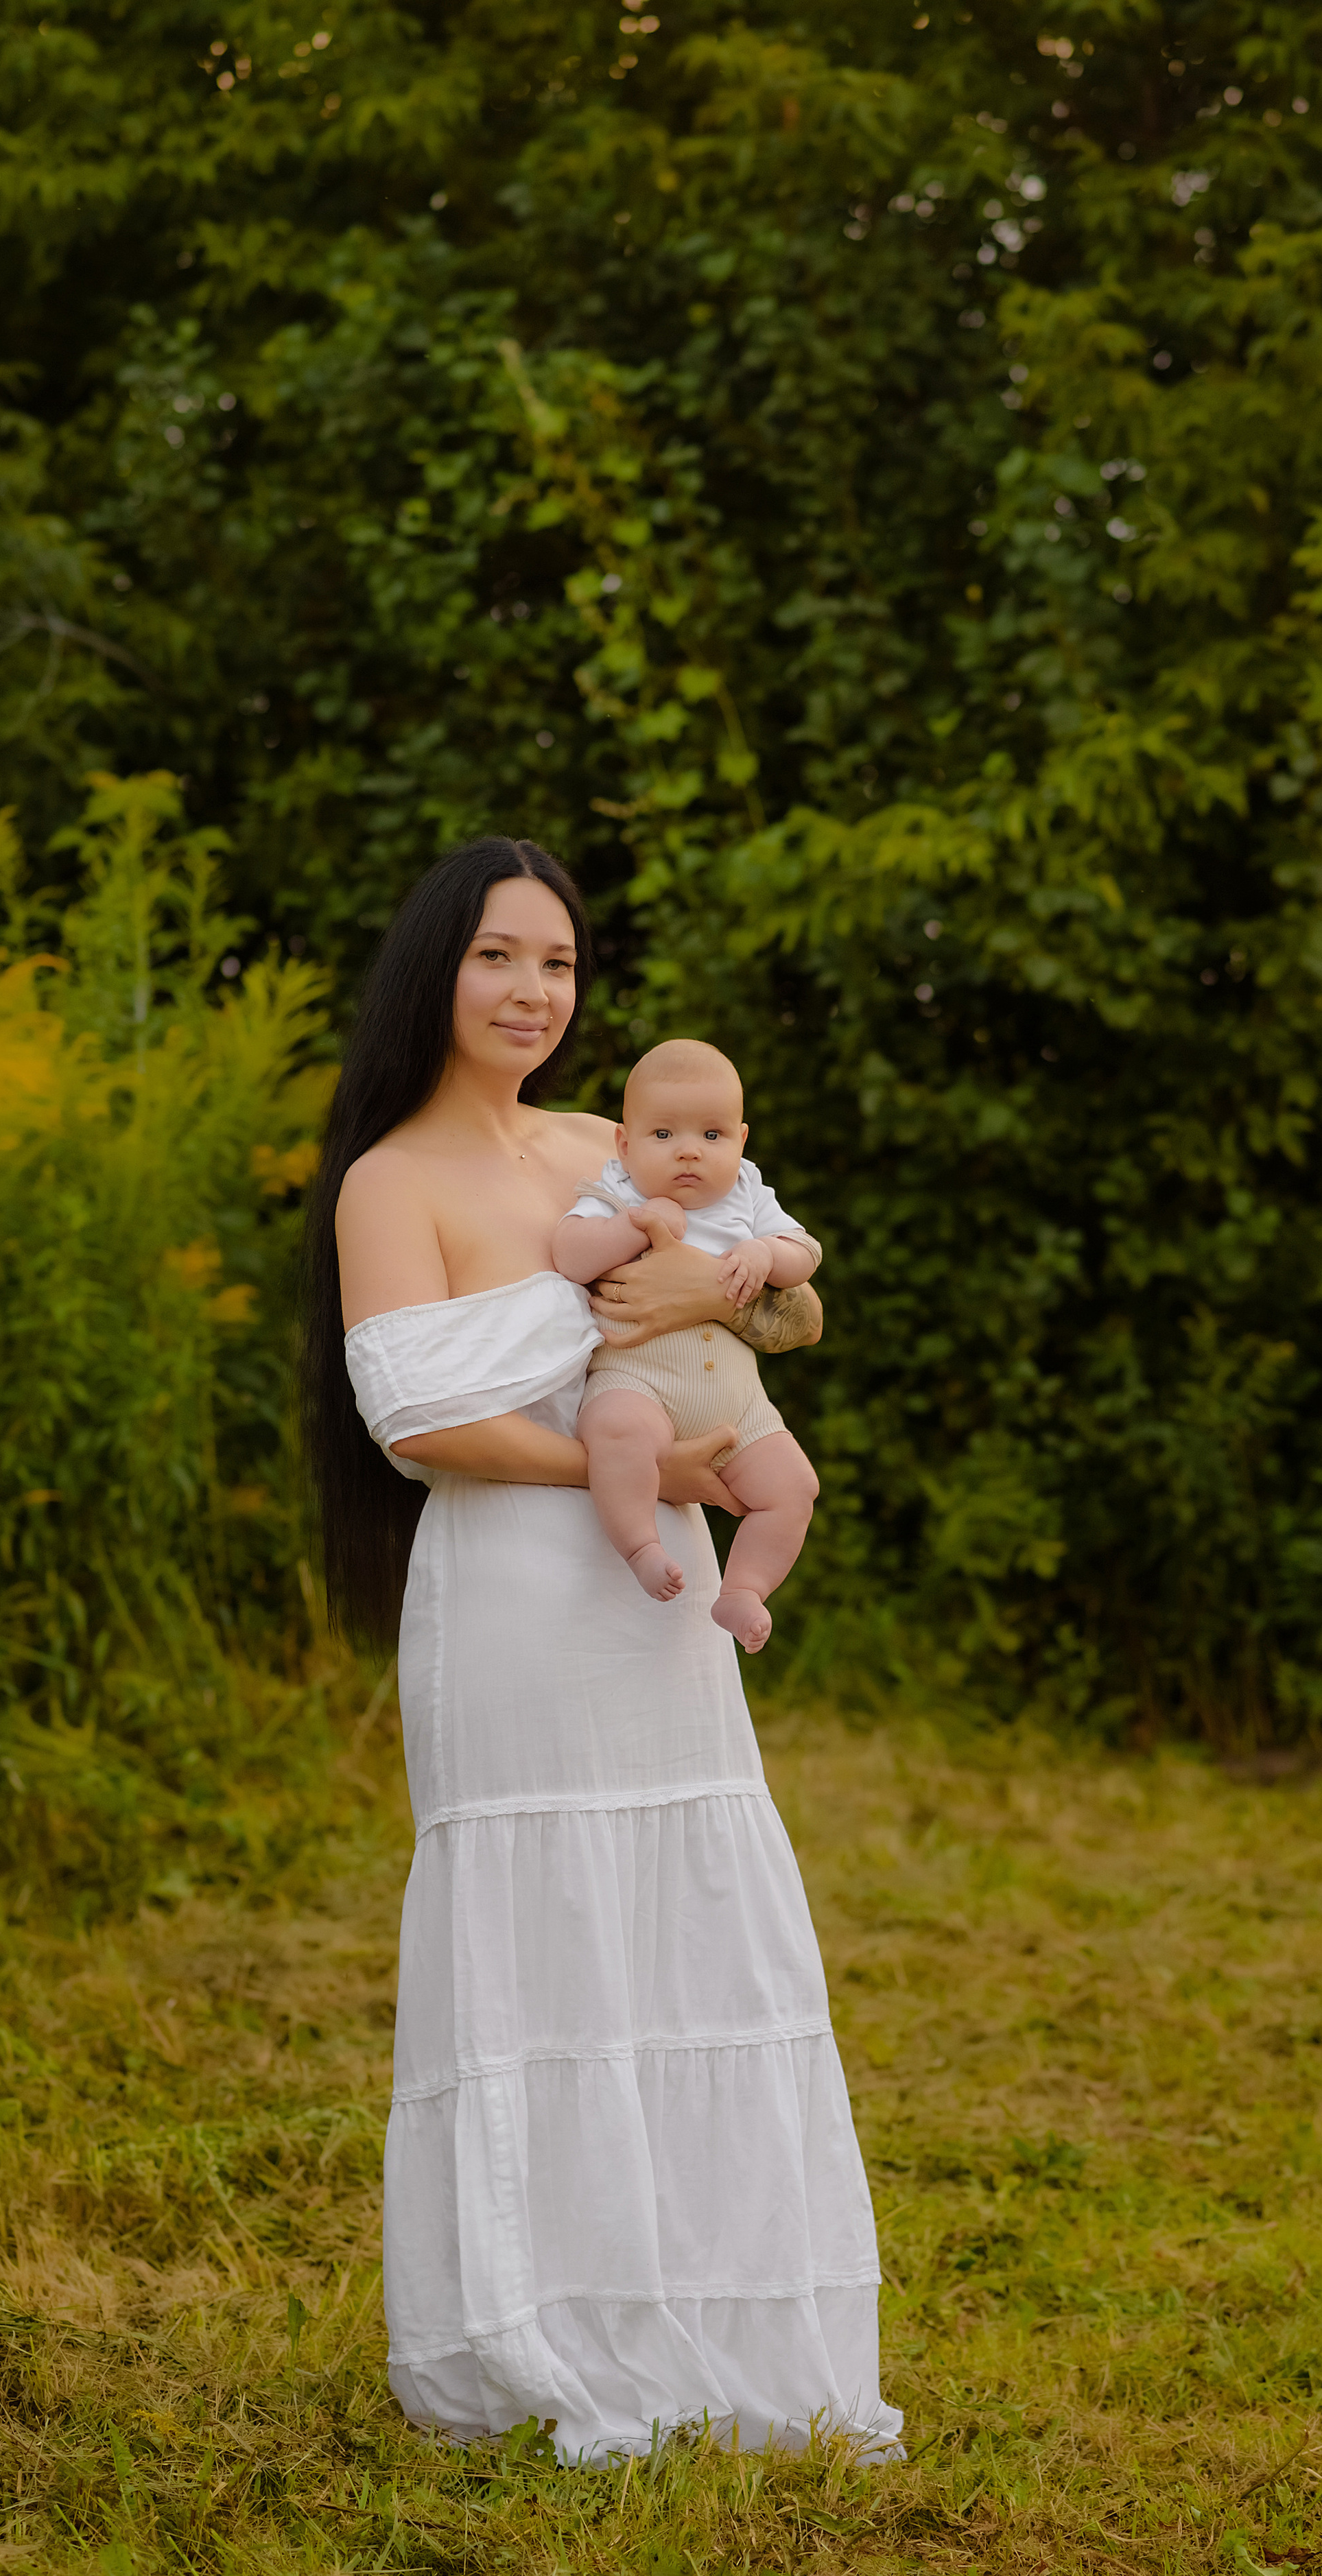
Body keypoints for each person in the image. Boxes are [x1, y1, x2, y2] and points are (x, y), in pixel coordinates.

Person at [303, 834, 901, 2466]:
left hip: (655, 1609)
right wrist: (630, 1472)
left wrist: (760, 1279)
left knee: (684, 1925)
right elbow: (421, 1417)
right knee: (538, 1939)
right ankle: (534, 2326)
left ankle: (699, 2314)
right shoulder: (389, 1181)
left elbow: (779, 1317)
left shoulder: (608, 1138)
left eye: (555, 964)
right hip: (511, 1592)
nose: (529, 991)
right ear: (437, 966)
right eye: (499, 955)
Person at [552, 1037, 823, 1653]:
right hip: (639, 1382)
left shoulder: (749, 1195)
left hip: (737, 1404)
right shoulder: (616, 1191)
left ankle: (744, 1589)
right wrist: (633, 1227)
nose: (689, 1154)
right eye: (664, 1136)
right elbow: (569, 1256)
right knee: (618, 1432)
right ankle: (642, 1546)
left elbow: (806, 1257)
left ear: (742, 1141)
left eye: (711, 1136)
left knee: (794, 1488)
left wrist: (764, 1253)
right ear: (625, 1144)